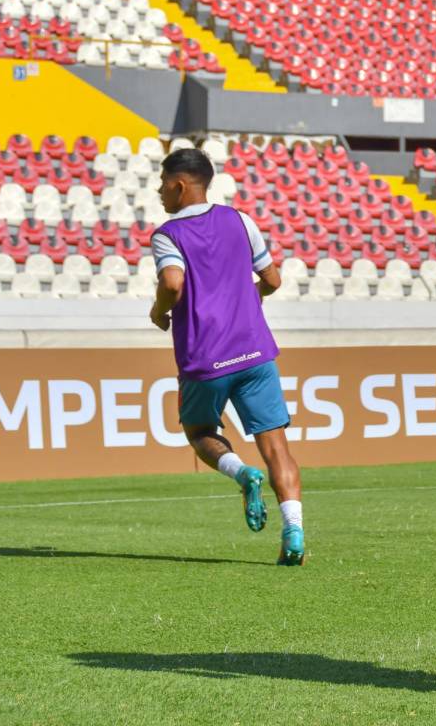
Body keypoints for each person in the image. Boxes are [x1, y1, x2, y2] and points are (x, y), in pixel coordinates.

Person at [150, 148, 305, 566]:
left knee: (199, 432)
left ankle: (242, 473)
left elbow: (172, 282)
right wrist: (247, 298)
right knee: (277, 448)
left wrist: (157, 310)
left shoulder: (167, 234)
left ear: (180, 185)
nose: (159, 191)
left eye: (163, 183)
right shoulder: (240, 220)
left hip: (205, 357)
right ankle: (294, 530)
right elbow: (272, 279)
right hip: (255, 352)